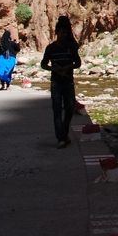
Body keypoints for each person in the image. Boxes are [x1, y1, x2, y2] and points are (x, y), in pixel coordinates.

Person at [40, 15, 81, 148]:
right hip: (56, 83)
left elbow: (78, 63)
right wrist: (55, 69)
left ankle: (63, 133)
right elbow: (43, 64)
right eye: (61, 32)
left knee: (69, 108)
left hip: (68, 82)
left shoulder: (71, 47)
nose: (63, 35)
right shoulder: (50, 48)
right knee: (57, 110)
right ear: (56, 33)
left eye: (65, 33)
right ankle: (61, 138)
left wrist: (68, 67)